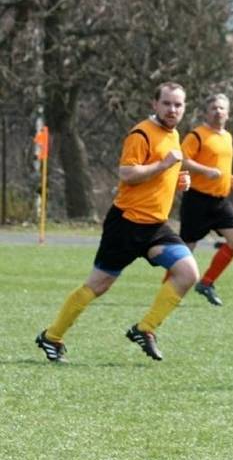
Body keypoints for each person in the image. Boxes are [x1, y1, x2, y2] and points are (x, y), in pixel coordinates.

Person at [35, 82, 199, 363]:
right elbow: (127, 173)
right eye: (167, 103)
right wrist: (163, 166)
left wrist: (177, 181)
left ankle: (145, 329)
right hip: (126, 225)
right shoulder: (141, 134)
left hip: (155, 227)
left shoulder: (174, 135)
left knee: (188, 273)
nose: (173, 109)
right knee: (98, 285)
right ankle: (52, 336)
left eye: (178, 105)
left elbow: (159, 178)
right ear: (154, 104)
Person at [179, 93, 233, 307]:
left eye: (222, 108)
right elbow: (182, 161)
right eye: (214, 108)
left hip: (220, 201)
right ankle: (170, 289)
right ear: (206, 113)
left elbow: (221, 165)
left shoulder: (227, 137)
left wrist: (230, 179)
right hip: (197, 199)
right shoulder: (197, 135)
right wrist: (205, 171)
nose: (218, 112)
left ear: (228, 112)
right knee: (185, 250)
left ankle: (206, 282)